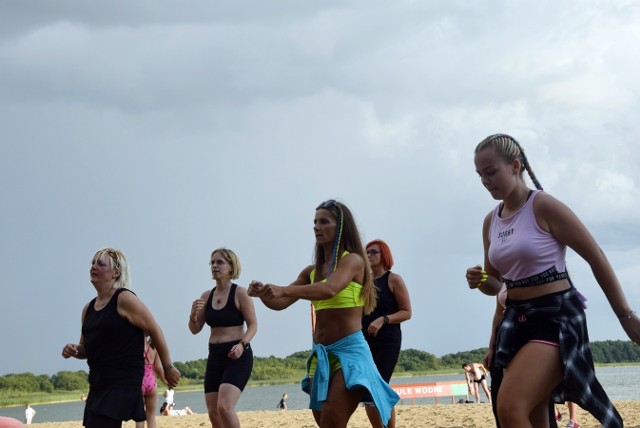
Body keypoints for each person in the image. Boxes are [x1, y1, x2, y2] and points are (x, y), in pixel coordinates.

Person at [466, 134, 640, 428]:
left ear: (515, 165)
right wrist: (480, 280)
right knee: (534, 416)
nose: (485, 181)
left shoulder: (543, 205)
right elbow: (496, 284)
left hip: (555, 317)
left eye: (491, 171)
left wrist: (626, 316)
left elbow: (596, 255)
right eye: (480, 175)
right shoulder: (490, 221)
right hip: (516, 320)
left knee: (510, 407)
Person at [248, 199, 399, 428]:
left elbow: (330, 289)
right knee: (324, 422)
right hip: (321, 356)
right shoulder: (311, 272)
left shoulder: (353, 260)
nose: (316, 227)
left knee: (331, 422)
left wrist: (283, 289)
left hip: (350, 353)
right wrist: (263, 294)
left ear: (340, 227)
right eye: (315, 222)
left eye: (324, 221)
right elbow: (280, 303)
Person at [62, 247, 181, 428]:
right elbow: (85, 349)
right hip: (98, 381)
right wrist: (74, 350)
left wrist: (168, 367)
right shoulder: (88, 309)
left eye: (101, 264)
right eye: (93, 263)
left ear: (116, 272)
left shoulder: (124, 298)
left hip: (122, 380)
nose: (94, 267)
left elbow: (155, 330)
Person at [188, 247, 257, 428]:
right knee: (213, 412)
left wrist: (243, 344)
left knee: (225, 407)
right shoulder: (206, 295)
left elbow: (253, 325)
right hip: (215, 356)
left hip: (237, 355)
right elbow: (195, 329)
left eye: (219, 262)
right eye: (212, 262)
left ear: (231, 267)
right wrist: (192, 315)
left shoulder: (240, 293)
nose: (214, 266)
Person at [361, 239, 412, 428]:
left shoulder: (393, 279)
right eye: (366, 253)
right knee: (372, 388)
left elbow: (407, 312)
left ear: (384, 255)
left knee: (376, 387)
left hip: (387, 341)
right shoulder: (362, 282)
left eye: (373, 252)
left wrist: (383, 319)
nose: (369, 256)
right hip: (364, 342)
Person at [135, 336, 167, 428]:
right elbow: (158, 368)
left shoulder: (134, 347)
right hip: (152, 382)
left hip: (139, 382)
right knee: (151, 416)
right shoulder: (154, 347)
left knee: (139, 417)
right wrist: (164, 380)